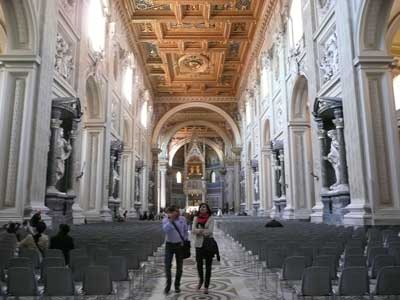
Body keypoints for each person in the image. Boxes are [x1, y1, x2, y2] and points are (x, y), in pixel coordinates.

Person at [162, 205, 188, 294]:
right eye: (172, 212)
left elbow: (185, 231)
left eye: (176, 212)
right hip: (169, 245)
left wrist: (184, 240)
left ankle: (177, 285)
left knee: (179, 267)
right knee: (167, 266)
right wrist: (171, 221)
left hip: (179, 245)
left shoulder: (182, 219)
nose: (174, 213)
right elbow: (165, 230)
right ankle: (168, 284)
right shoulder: (166, 219)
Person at [191, 203, 214, 294]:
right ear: (199, 209)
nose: (202, 208)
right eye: (201, 207)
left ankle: (206, 286)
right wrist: (202, 231)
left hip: (208, 244)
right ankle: (201, 280)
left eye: (204, 207)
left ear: (207, 209)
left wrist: (199, 230)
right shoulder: (196, 218)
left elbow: (210, 232)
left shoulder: (211, 218)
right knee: (199, 265)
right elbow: (193, 230)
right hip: (199, 245)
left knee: (208, 266)